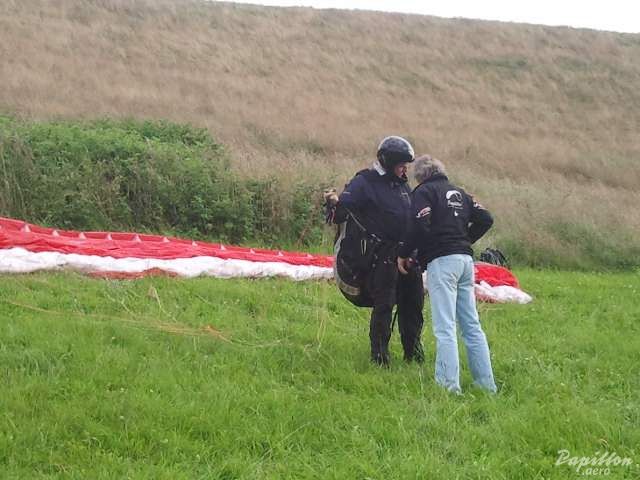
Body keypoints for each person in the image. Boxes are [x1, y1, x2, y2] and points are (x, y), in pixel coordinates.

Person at [398, 155, 497, 393]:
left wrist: (405, 254)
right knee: (471, 325)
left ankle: (448, 386)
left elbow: (419, 225)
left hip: (443, 262)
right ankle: (486, 385)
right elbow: (486, 219)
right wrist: (464, 240)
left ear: (420, 176)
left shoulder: (423, 192)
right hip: (465, 261)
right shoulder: (461, 193)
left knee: (445, 327)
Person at [324, 136, 424, 366]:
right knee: (384, 304)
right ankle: (380, 356)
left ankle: (413, 353)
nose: (405, 169)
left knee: (413, 303)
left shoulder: (401, 184)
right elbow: (341, 213)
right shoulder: (365, 182)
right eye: (401, 165)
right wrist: (333, 204)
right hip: (382, 256)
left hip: (407, 254)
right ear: (389, 162)